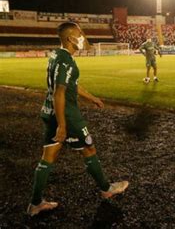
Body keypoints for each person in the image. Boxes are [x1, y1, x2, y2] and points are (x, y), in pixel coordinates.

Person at [28, 22, 129, 216]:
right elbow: (60, 93)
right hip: (66, 114)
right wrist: (63, 126)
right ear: (69, 39)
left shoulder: (56, 55)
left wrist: (92, 98)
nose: (82, 37)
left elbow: (71, 85)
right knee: (89, 148)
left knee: (47, 157)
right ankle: (106, 189)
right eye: (79, 34)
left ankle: (35, 203)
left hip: (48, 111)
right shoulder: (66, 60)